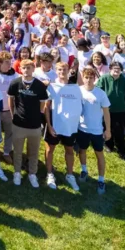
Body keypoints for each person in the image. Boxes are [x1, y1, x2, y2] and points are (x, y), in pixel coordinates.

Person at [7, 59, 48, 188]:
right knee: (18, 151)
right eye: (24, 68)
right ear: (20, 69)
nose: (26, 70)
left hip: (35, 125)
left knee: (33, 152)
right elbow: (11, 99)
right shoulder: (15, 83)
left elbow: (43, 103)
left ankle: (32, 173)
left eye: (29, 68)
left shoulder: (39, 85)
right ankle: (17, 172)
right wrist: (13, 114)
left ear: (33, 69)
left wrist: (37, 114)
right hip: (18, 123)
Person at [43, 63, 83, 191]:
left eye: (65, 69)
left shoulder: (76, 88)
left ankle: (70, 175)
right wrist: (49, 126)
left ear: (69, 71)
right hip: (55, 125)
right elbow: (46, 108)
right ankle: (49, 174)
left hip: (70, 127)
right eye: (60, 69)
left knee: (69, 150)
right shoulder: (52, 87)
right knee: (50, 150)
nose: (62, 71)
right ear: (56, 71)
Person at [77, 67, 111, 194]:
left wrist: (108, 130)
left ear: (95, 79)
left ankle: (101, 180)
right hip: (82, 128)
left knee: (99, 154)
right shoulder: (78, 91)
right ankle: (84, 170)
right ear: (83, 77)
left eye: (91, 78)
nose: (89, 80)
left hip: (97, 130)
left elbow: (107, 113)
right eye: (86, 77)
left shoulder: (101, 93)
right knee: (82, 151)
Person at [96, 62, 125, 159]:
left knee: (119, 131)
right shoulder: (103, 79)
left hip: (120, 110)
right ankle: (109, 145)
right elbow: (98, 92)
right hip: (106, 109)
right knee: (106, 128)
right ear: (110, 69)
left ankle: (122, 149)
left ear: (121, 70)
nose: (116, 70)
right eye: (114, 68)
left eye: (119, 69)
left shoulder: (124, 81)